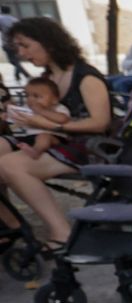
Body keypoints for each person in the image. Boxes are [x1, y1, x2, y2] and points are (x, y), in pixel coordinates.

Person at [0, 17, 113, 249]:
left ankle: (62, 233)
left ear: (47, 42)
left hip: (86, 143)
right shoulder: (46, 79)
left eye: (25, 45)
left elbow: (100, 123)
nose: (21, 53)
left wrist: (51, 125)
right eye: (18, 47)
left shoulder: (86, 76)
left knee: (10, 165)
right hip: (49, 135)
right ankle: (12, 225)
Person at [2, 77, 71, 157]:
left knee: (44, 136)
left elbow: (63, 119)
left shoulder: (58, 108)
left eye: (36, 96)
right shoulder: (26, 108)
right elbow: (18, 121)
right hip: (28, 137)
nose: (31, 99)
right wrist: (9, 116)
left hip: (54, 138)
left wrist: (41, 111)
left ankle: (36, 152)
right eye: (27, 96)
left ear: (54, 100)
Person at [0, 5, 27, 81]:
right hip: (16, 43)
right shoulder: (14, 19)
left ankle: (25, 74)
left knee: (12, 61)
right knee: (16, 60)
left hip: (7, 43)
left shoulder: (1, 19)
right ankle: (17, 75)